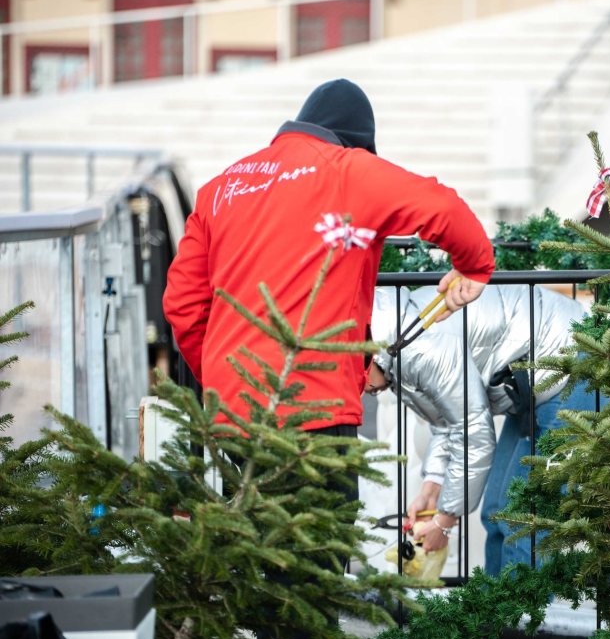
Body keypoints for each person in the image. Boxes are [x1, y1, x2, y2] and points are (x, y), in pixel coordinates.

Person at [163, 77, 493, 437]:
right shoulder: (350, 169)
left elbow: (183, 306)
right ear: (360, 144)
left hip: (232, 412)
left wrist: (224, 381)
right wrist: (474, 267)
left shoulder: (220, 188)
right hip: (316, 407)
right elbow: (442, 206)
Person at [367, 284, 592, 574]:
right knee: (497, 511)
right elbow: (448, 422)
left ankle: (522, 615)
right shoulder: (396, 349)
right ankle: (493, 613)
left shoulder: (419, 348)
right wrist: (431, 490)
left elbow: (473, 432)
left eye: (365, 386)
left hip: (568, 362)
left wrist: (444, 523)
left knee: (526, 518)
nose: (365, 390)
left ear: (369, 356)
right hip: (531, 382)